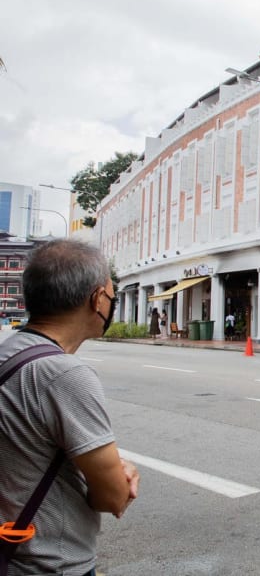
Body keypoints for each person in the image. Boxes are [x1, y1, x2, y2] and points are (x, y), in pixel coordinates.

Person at [0, 239, 139, 575]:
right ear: (96, 299)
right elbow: (112, 498)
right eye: (110, 294)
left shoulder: (9, 353)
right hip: (49, 563)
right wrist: (123, 473)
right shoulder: (65, 374)